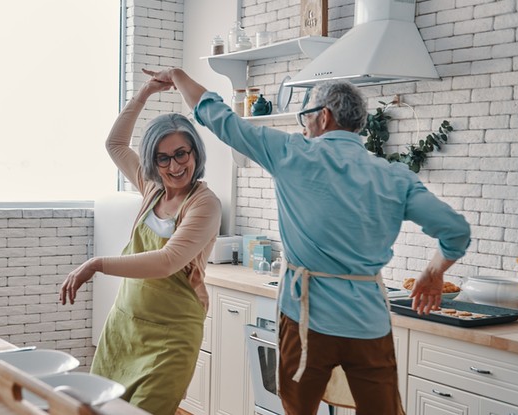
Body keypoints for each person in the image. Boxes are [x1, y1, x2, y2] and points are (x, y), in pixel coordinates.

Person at [144, 68, 471, 415]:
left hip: (304, 320)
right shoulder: (393, 176)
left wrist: (179, 76)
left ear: (323, 116)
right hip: (368, 323)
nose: (303, 125)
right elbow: (456, 231)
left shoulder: (291, 153)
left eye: (306, 115)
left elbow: (220, 118)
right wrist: (434, 272)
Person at [59, 77, 221, 415]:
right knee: (100, 410)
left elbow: (167, 261)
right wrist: (144, 93)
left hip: (171, 337)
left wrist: (96, 264)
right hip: (125, 326)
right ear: (153, 162)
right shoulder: (152, 188)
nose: (175, 166)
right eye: (163, 159)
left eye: (181, 154)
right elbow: (115, 144)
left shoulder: (204, 204)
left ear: (195, 152)